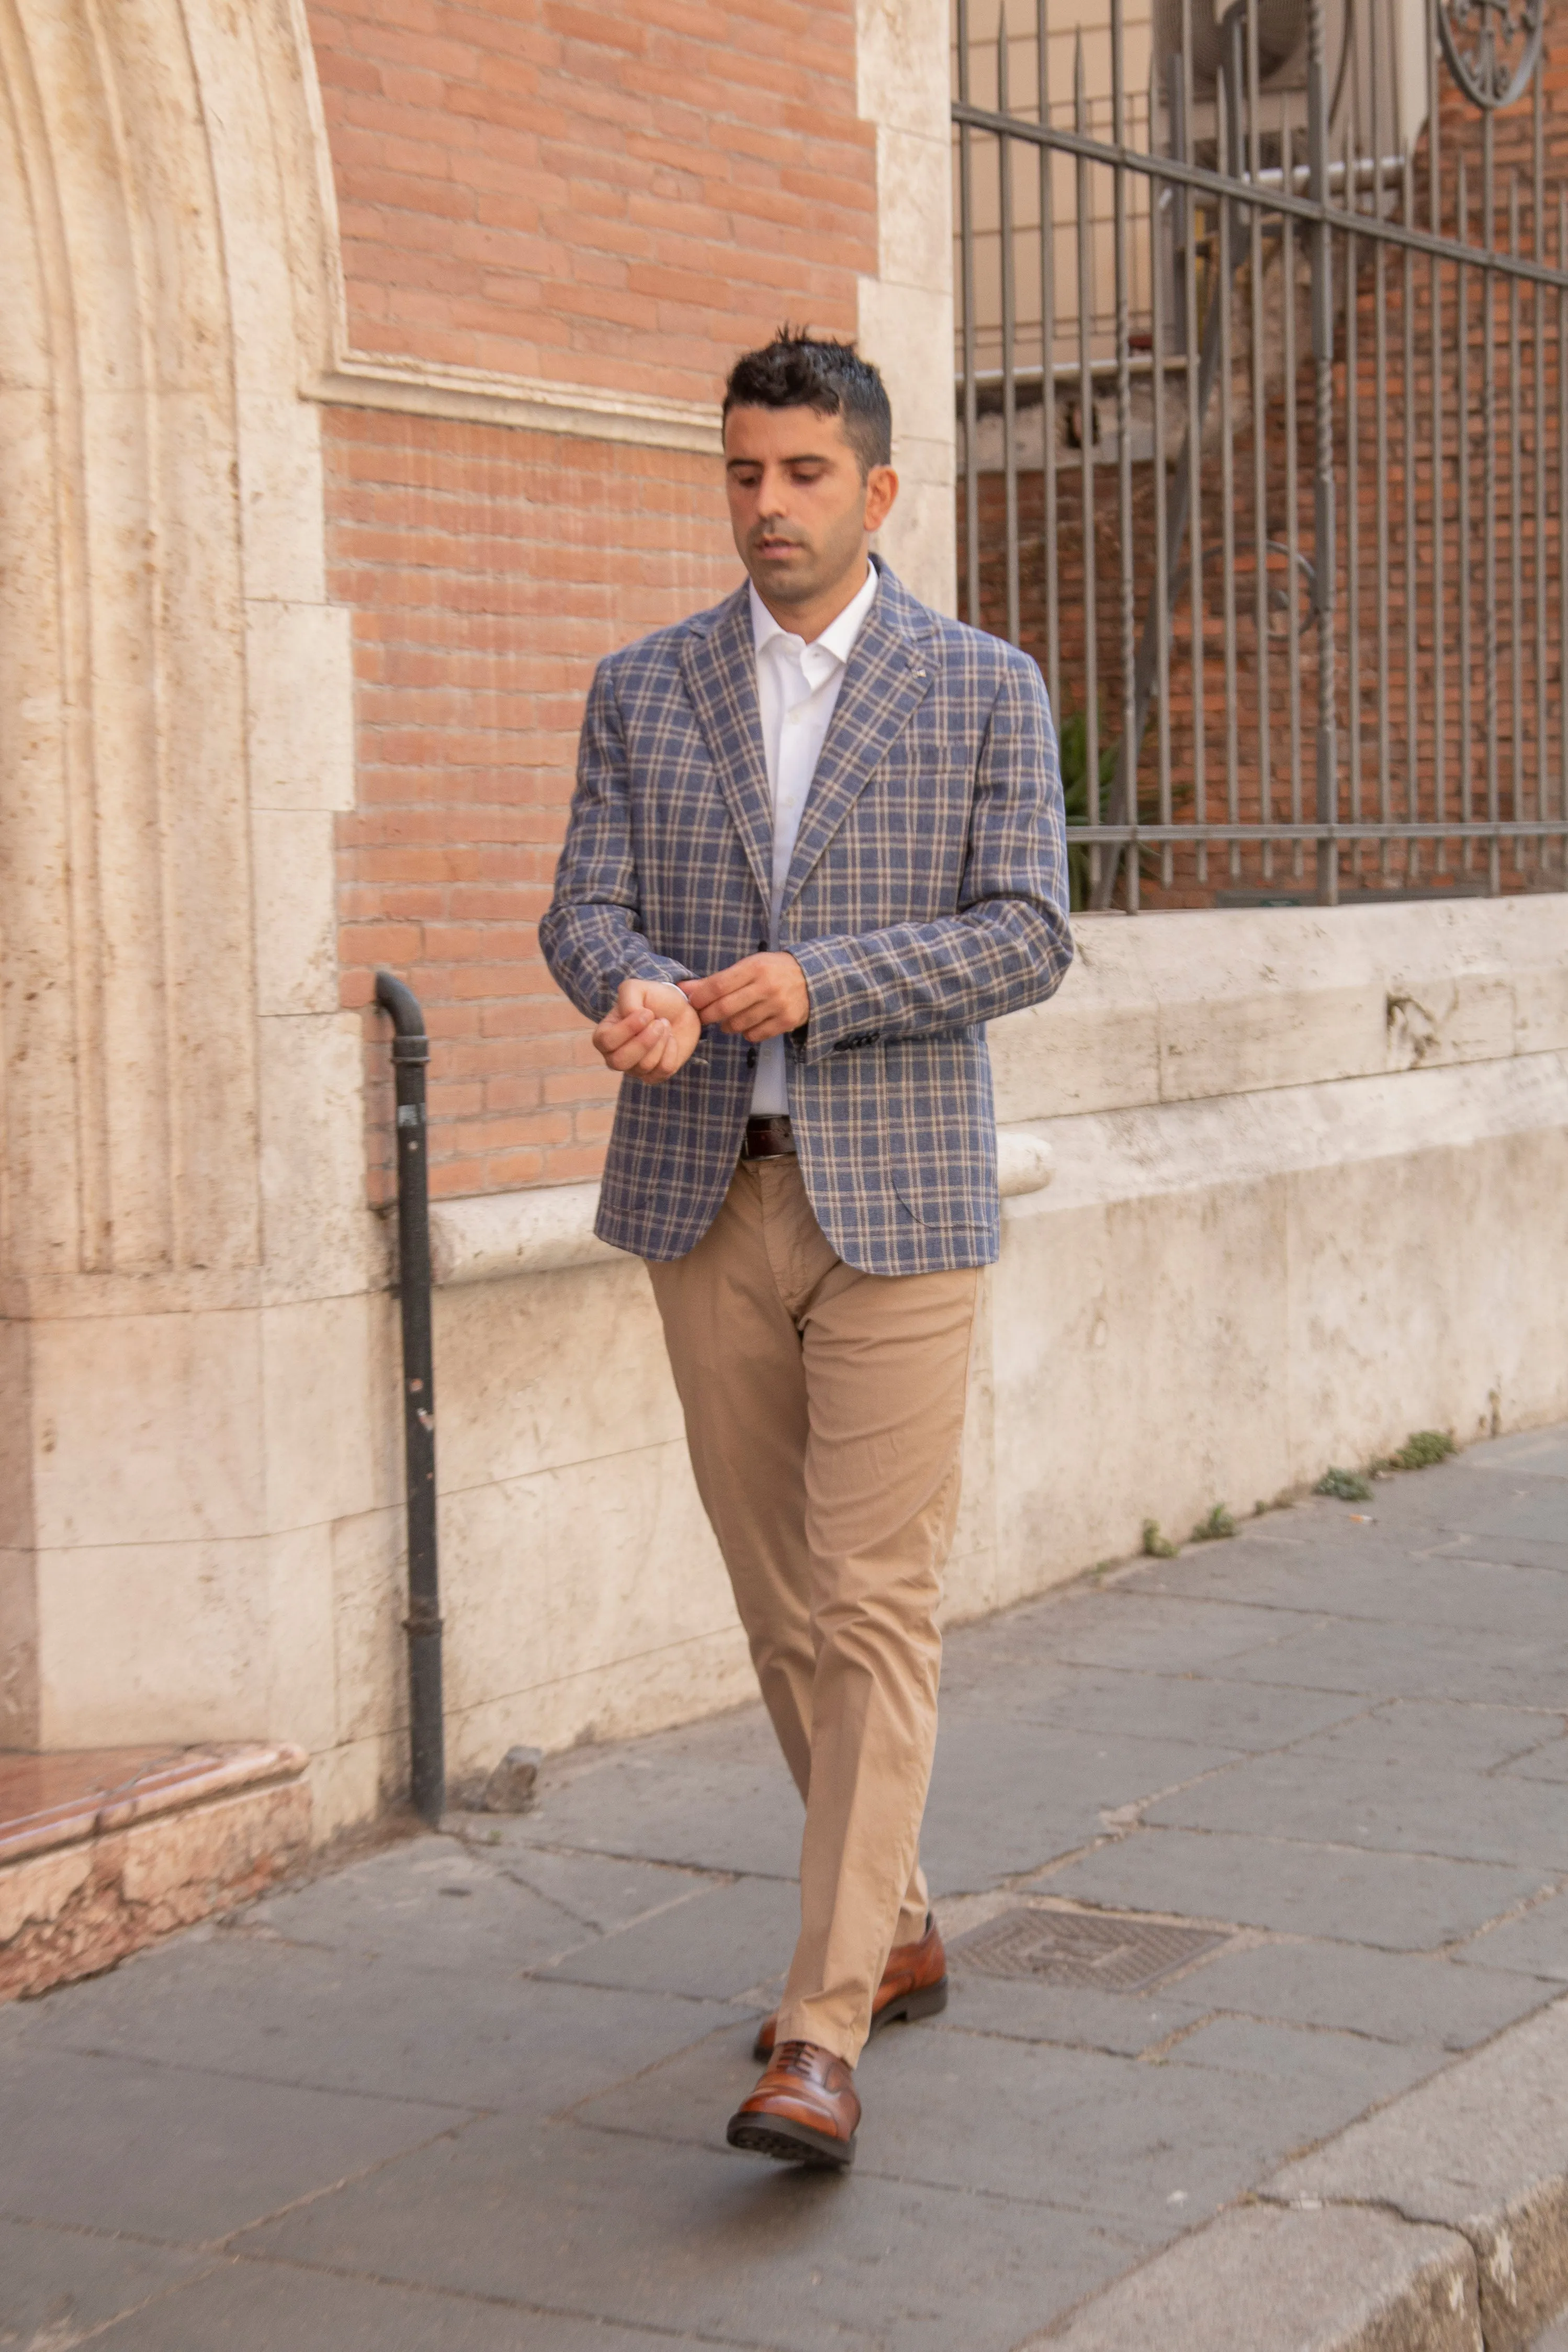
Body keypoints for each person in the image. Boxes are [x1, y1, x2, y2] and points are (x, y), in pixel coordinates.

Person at [540, 331, 1071, 2169]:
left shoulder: (982, 686)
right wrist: (623, 983)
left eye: (801, 476)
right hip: (707, 1188)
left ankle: (824, 2021)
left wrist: (818, 984)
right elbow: (583, 898)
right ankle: (897, 1911)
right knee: (780, 1607)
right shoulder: (642, 685)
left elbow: (1027, 932)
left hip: (901, 1198)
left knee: (873, 1600)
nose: (765, 506)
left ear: (878, 491)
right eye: (743, 474)